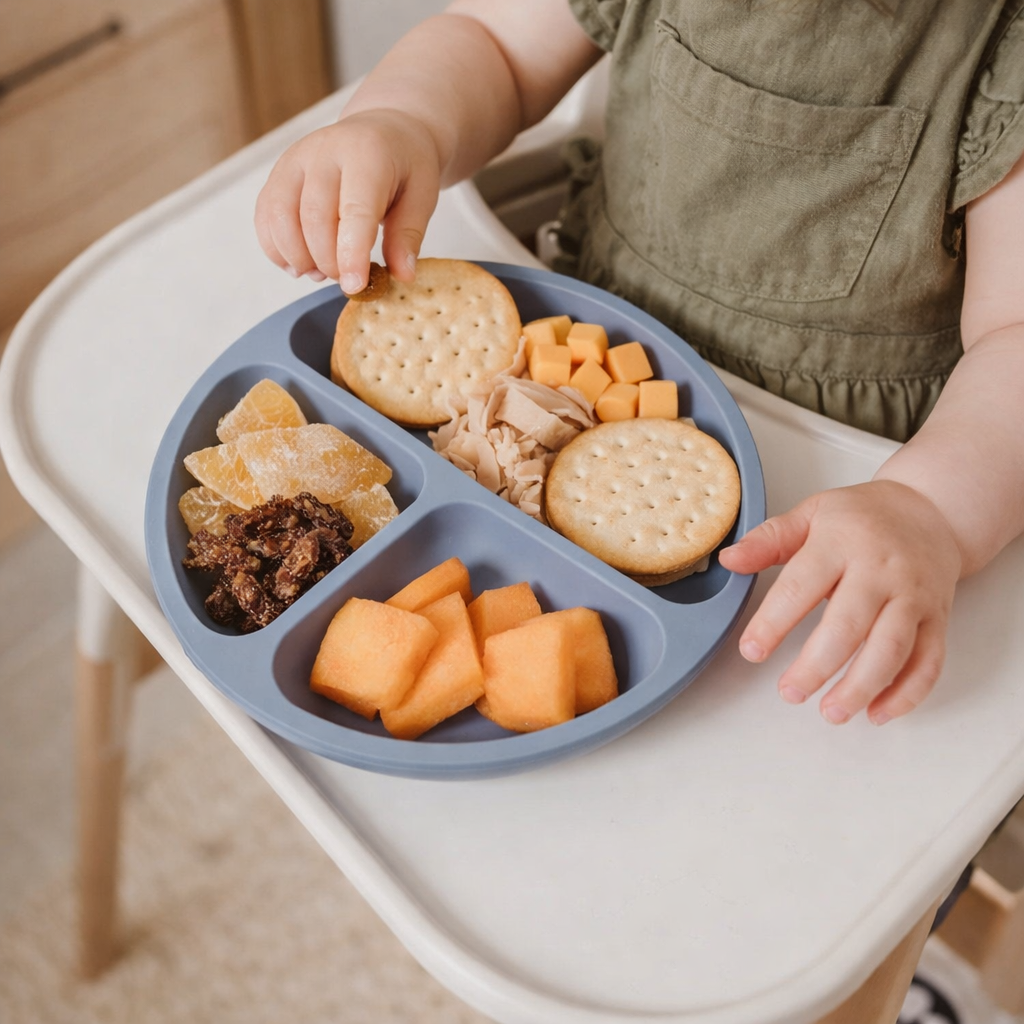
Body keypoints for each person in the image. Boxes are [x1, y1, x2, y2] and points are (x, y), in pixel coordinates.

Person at [254, 0, 1024, 727]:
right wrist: (405, 121)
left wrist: (933, 514)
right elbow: (495, 48)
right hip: (569, 364)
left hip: (848, 497)